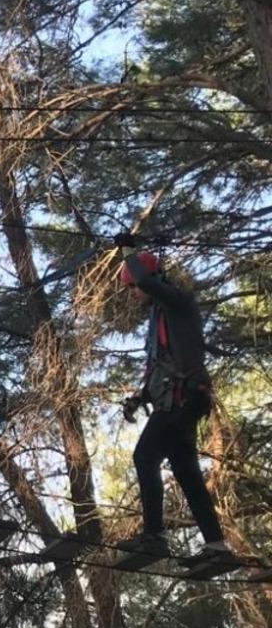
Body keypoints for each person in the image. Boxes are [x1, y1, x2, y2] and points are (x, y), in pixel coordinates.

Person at [114, 239, 233, 565]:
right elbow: (163, 369)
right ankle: (217, 547)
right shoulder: (159, 318)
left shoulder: (179, 302)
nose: (133, 292)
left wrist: (128, 254)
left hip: (183, 401)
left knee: (144, 456)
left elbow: (147, 280)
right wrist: (140, 397)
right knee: (185, 472)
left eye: (133, 286)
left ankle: (155, 538)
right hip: (178, 402)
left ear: (151, 280)